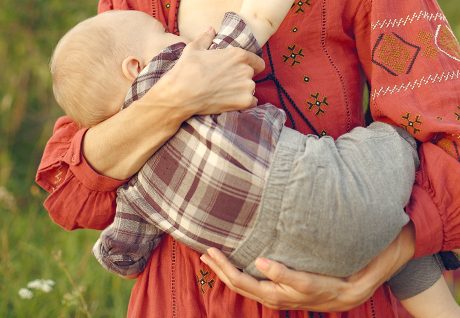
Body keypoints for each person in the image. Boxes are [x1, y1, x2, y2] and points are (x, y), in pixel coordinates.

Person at [36, 0, 460, 317]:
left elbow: (447, 136)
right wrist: (172, 101)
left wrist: (373, 267)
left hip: (341, 287)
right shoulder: (137, 10)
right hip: (180, 301)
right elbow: (74, 189)